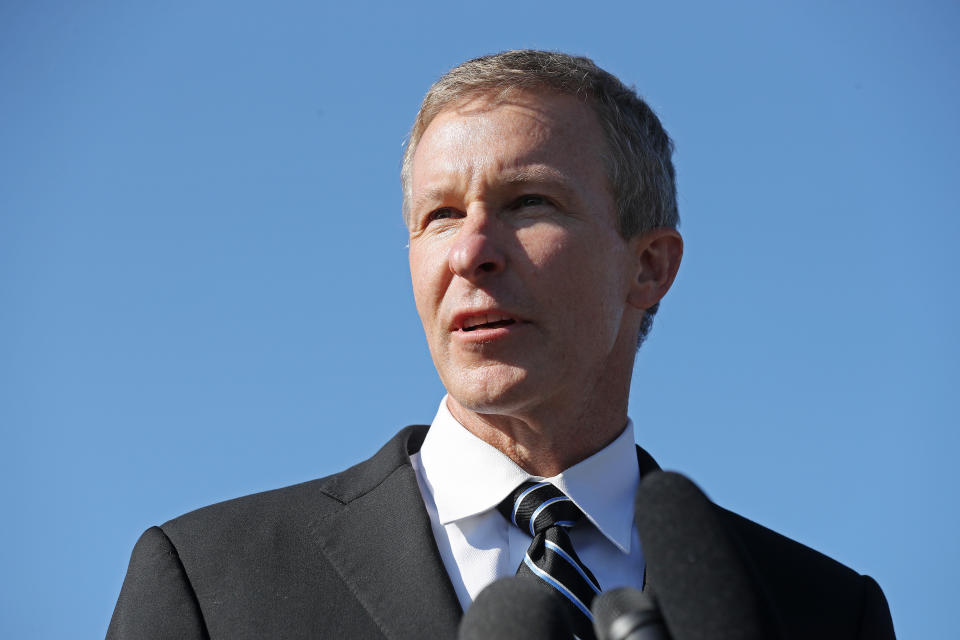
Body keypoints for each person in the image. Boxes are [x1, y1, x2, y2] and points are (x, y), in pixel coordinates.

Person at [107, 50, 895, 639]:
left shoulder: (824, 611)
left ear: (649, 266)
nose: (471, 251)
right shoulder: (211, 583)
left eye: (527, 202)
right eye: (440, 215)